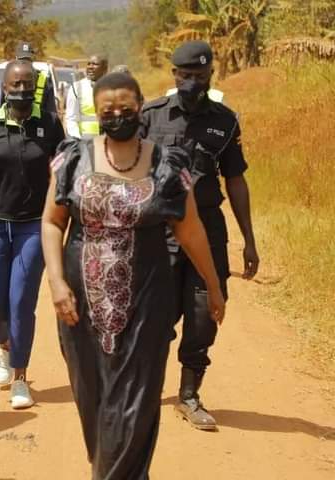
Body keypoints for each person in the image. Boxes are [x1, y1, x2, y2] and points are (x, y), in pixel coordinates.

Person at [41, 72, 226, 479]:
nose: (117, 115)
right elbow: (53, 222)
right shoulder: (72, 158)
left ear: (141, 107)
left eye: (126, 107)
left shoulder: (169, 164)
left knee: (136, 404)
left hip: (147, 301)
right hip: (80, 304)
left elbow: (191, 230)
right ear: (96, 112)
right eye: (108, 109)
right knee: (94, 400)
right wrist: (56, 282)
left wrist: (213, 286)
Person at [141, 40, 259, 430]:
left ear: (212, 75)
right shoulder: (151, 115)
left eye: (201, 76)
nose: (193, 82)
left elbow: (236, 180)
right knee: (157, 316)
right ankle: (144, 388)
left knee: (205, 312)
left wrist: (250, 240)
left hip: (208, 229)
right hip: (160, 230)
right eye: (186, 75)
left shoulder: (225, 120)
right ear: (174, 75)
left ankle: (189, 394)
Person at [0, 60, 65, 409]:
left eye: (27, 83)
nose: (21, 89)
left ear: (36, 87)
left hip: (32, 225)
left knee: (21, 302)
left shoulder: (49, 124)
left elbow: (59, 177)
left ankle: (20, 376)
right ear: (3, 88)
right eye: (14, 84)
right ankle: (4, 346)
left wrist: (60, 221)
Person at [0, 41, 58, 115]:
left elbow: (51, 111)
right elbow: (1, 106)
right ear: (16, 59)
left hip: (38, 124)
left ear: (32, 59)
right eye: (22, 59)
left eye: (28, 59)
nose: (25, 62)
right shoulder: (8, 79)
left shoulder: (44, 80)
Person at [65, 54, 108, 140]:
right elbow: (71, 119)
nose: (90, 67)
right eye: (89, 64)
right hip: (84, 142)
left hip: (107, 143)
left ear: (105, 69)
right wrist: (78, 141)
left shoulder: (112, 88)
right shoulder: (77, 88)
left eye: (95, 64)